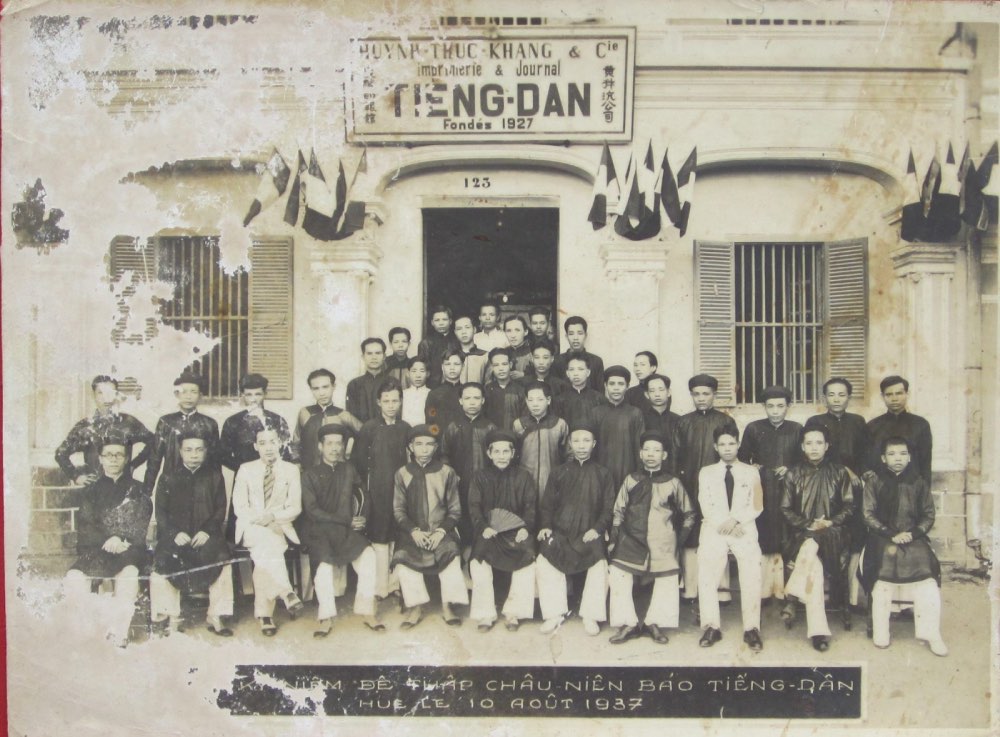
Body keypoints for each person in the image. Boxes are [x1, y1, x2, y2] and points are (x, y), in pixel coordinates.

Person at [608, 431, 696, 645]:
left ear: (664, 455)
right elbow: (618, 510)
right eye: (647, 449)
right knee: (618, 574)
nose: (651, 454)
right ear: (640, 453)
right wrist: (615, 537)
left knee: (666, 579)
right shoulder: (631, 479)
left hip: (662, 542)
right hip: (630, 539)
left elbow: (689, 514)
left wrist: (678, 540)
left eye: (656, 450)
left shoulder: (673, 482)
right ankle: (627, 623)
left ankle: (654, 622)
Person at [861, 437, 947, 656]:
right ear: (883, 458)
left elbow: (928, 515)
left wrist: (913, 533)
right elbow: (868, 514)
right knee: (881, 580)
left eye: (902, 454)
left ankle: (931, 633)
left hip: (912, 537)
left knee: (927, 580)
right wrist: (891, 533)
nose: (897, 458)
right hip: (882, 537)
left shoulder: (918, 481)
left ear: (909, 457)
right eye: (891, 454)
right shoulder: (874, 481)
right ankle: (882, 631)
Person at [63, 437, 152, 646]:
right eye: (108, 455)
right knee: (74, 577)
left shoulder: (138, 489)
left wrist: (122, 539)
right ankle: (84, 633)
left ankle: (118, 633)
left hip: (127, 549)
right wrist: (107, 539)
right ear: (100, 459)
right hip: (98, 548)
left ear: (127, 459)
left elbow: (141, 521)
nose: (113, 459)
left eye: (119, 455)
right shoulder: (90, 491)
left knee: (129, 574)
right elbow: (86, 524)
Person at [301, 424, 382, 637]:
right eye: (330, 444)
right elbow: (312, 511)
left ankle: (367, 611)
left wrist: (362, 516)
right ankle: (325, 617)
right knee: (324, 567)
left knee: (368, 556)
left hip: (347, 532)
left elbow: (363, 494)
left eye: (339, 443)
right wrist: (346, 519)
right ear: (320, 447)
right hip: (320, 532)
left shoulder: (349, 469)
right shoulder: (309, 474)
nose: (335, 448)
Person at [150, 431, 232, 636]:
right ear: (180, 451)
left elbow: (221, 509)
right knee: (161, 560)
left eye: (199, 449)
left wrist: (207, 531)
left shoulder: (214, 476)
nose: (194, 454)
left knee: (223, 560)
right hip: (175, 537)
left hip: (207, 536)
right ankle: (171, 617)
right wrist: (174, 533)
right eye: (188, 449)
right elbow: (160, 512)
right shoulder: (168, 477)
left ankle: (216, 615)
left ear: (205, 451)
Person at [780, 425, 854, 652]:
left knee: (812, 547)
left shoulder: (840, 472)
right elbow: (785, 508)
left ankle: (792, 596)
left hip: (833, 535)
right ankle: (818, 632)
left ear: (827, 446)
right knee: (814, 568)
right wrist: (807, 524)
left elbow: (850, 506)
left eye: (819, 443)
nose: (814, 448)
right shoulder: (793, 473)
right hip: (802, 534)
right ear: (802, 446)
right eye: (809, 443)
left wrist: (830, 522)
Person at [536, 423, 614, 636]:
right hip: (561, 531)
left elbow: (609, 508)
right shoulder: (559, 472)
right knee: (545, 559)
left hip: (589, 532)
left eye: (586, 441)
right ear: (570, 443)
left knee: (599, 561)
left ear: (594, 444)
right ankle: (554, 613)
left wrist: (598, 529)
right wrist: (545, 526)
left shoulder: (603, 474)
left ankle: (591, 615)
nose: (581, 446)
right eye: (577, 441)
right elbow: (547, 505)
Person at [391, 425, 469, 628]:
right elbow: (398, 510)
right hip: (412, 532)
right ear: (410, 447)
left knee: (451, 554)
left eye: (429, 444)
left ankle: (447, 606)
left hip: (442, 531)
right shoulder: (402, 473)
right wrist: (413, 531)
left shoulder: (447, 472)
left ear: (436, 447)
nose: (424, 449)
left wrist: (441, 531)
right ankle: (416, 607)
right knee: (403, 559)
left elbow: (455, 510)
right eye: (419, 445)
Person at [696, 425, 765, 651]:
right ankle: (711, 626)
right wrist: (724, 523)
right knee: (707, 567)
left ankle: (752, 628)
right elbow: (705, 504)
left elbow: (756, 504)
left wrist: (735, 520)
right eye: (722, 444)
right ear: (715, 447)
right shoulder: (706, 472)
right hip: (715, 527)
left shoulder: (750, 471)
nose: (727, 448)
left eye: (731, 443)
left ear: (738, 445)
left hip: (742, 528)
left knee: (752, 569)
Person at [231, 426, 304, 636]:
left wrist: (274, 518)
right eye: (262, 443)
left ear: (280, 443)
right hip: (251, 526)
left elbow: (295, 507)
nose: (268, 448)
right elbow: (240, 506)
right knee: (268, 544)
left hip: (278, 525)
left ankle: (265, 615)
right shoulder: (246, 469)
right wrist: (263, 521)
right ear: (255, 446)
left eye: (272, 441)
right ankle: (286, 591)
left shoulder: (291, 470)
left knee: (265, 553)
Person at [808, 377, 870, 608]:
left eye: (841, 394)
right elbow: (813, 454)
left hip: (852, 491)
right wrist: (844, 470)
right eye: (831, 394)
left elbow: (866, 455)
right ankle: (823, 593)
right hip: (825, 490)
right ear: (824, 397)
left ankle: (850, 597)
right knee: (825, 538)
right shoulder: (815, 421)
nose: (836, 399)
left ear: (849, 397)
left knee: (853, 540)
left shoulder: (858, 422)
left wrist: (859, 474)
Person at [468, 429, 538, 632]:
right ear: (489, 454)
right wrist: (484, 527)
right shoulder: (479, 477)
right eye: (496, 452)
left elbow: (530, 506)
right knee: (478, 559)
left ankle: (513, 612)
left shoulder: (523, 477)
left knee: (527, 556)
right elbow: (474, 507)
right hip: (489, 531)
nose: (501, 456)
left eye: (505, 451)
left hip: (516, 531)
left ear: (513, 453)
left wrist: (526, 527)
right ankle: (485, 614)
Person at [737, 385, 802, 603]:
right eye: (771, 406)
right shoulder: (754, 428)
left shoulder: (796, 429)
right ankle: (764, 590)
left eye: (780, 406)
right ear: (764, 407)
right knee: (763, 533)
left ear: (788, 407)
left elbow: (804, 461)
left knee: (787, 533)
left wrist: (791, 468)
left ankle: (786, 590)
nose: (775, 411)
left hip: (789, 489)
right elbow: (743, 459)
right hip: (762, 487)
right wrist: (753, 467)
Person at [675, 373, 734, 602]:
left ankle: (722, 590)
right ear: (691, 395)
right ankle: (691, 589)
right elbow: (676, 458)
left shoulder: (725, 421)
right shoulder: (683, 422)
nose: (701, 398)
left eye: (706, 394)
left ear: (714, 395)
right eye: (696, 394)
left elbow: (731, 454)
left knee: (719, 531)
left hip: (719, 487)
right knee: (691, 536)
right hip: (689, 485)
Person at [352, 379, 411, 603]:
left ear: (401, 401)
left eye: (395, 400)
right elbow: (359, 462)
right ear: (379, 402)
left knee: (398, 534)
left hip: (400, 488)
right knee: (380, 537)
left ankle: (395, 583)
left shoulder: (405, 428)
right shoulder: (369, 428)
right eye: (386, 401)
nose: (391, 405)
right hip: (377, 489)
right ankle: (380, 586)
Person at [55, 375, 153, 488]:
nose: (106, 398)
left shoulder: (128, 422)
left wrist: (133, 465)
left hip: (123, 489)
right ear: (94, 395)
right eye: (101, 393)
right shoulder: (86, 426)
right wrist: (76, 476)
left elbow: (153, 441)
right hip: (95, 491)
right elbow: (60, 453)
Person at [441, 382, 497, 544]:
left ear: (483, 400)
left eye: (476, 398)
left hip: (485, 483)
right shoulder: (453, 427)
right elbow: (444, 454)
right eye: (467, 398)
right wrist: (452, 475)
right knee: (462, 517)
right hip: (460, 482)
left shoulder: (490, 427)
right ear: (460, 401)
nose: (472, 402)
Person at [144, 372, 219, 489]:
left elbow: (215, 461)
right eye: (183, 392)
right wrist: (147, 489)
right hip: (171, 485)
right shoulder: (166, 422)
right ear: (176, 394)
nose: (188, 396)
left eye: (193, 392)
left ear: (200, 395)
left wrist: (215, 490)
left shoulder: (209, 424)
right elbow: (155, 458)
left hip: (201, 484)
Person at [867, 376, 933, 486]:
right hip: (882, 490)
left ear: (907, 394)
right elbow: (867, 461)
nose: (894, 399)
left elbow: (925, 464)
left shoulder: (921, 424)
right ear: (882, 396)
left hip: (911, 488)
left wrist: (924, 494)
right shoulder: (873, 426)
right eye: (889, 394)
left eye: (899, 393)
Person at [220, 373, 293, 473]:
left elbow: (286, 452)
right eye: (249, 394)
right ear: (242, 395)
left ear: (265, 394)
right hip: (244, 476)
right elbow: (223, 455)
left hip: (273, 475)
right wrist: (245, 469)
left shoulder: (277, 420)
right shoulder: (233, 422)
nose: (253, 399)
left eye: (258, 394)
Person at [293, 369, 362, 471]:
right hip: (309, 473)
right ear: (311, 390)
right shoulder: (305, 413)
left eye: (325, 387)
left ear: (333, 386)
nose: (321, 393)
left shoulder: (343, 415)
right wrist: (297, 464)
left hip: (337, 474)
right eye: (316, 388)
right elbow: (296, 442)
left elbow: (366, 435)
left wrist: (349, 460)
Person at [591, 365, 646, 489]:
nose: (616, 388)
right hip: (601, 472)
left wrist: (638, 475)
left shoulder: (635, 413)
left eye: (621, 384)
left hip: (628, 472)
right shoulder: (596, 413)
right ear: (605, 386)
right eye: (612, 383)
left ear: (627, 386)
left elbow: (640, 447)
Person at [513, 381, 569, 501]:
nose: (535, 404)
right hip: (524, 480)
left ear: (548, 400)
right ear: (526, 401)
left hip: (551, 480)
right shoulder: (518, 424)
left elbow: (568, 454)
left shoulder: (559, 424)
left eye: (540, 399)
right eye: (531, 400)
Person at [552, 316, 605, 392]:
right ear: (566, 336)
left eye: (580, 333)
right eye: (571, 334)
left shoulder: (596, 361)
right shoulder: (557, 361)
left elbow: (600, 393)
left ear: (585, 335)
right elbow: (555, 391)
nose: (575, 338)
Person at [642, 374, 681, 475]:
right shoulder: (640, 419)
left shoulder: (679, 420)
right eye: (652, 391)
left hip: (673, 474)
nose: (657, 394)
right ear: (646, 394)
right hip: (647, 474)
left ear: (668, 392)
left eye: (661, 390)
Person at [346, 337, 390, 424]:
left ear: (384, 356)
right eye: (369, 353)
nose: (374, 357)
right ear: (363, 357)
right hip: (361, 434)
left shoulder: (392, 382)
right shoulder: (354, 384)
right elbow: (351, 416)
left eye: (378, 353)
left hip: (388, 433)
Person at [484, 347, 527, 432]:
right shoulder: (487, 390)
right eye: (496, 365)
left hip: (515, 436)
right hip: (493, 437)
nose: (501, 368)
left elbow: (526, 416)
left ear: (510, 365)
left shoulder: (520, 390)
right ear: (492, 367)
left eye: (504, 364)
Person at [417, 305, 460, 388]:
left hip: (454, 385)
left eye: (444, 319)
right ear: (432, 322)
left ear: (450, 321)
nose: (441, 323)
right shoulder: (426, 343)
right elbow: (423, 369)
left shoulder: (456, 341)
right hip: (432, 386)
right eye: (437, 320)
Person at [560, 354, 605, 431]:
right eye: (572, 369)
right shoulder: (559, 400)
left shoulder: (599, 399)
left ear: (588, 372)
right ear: (567, 373)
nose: (576, 374)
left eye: (580, 369)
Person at [424, 348, 464, 433]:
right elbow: (430, 423)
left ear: (463, 366)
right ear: (442, 367)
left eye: (456, 364)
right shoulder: (434, 394)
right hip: (441, 440)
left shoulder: (467, 392)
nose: (452, 368)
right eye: (448, 364)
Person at [454, 314, 489, 385]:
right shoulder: (451, 356)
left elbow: (489, 384)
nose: (463, 332)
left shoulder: (485, 356)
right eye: (459, 329)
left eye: (467, 327)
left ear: (474, 330)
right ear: (455, 332)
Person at [401, 356, 431, 427]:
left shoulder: (432, 394)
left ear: (428, 374)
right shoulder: (402, 394)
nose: (418, 375)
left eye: (422, 371)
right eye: (414, 371)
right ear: (408, 373)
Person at [503, 315, 533, 380]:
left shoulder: (533, 352)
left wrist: (524, 375)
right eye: (509, 331)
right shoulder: (503, 353)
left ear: (525, 332)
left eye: (517, 330)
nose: (513, 335)